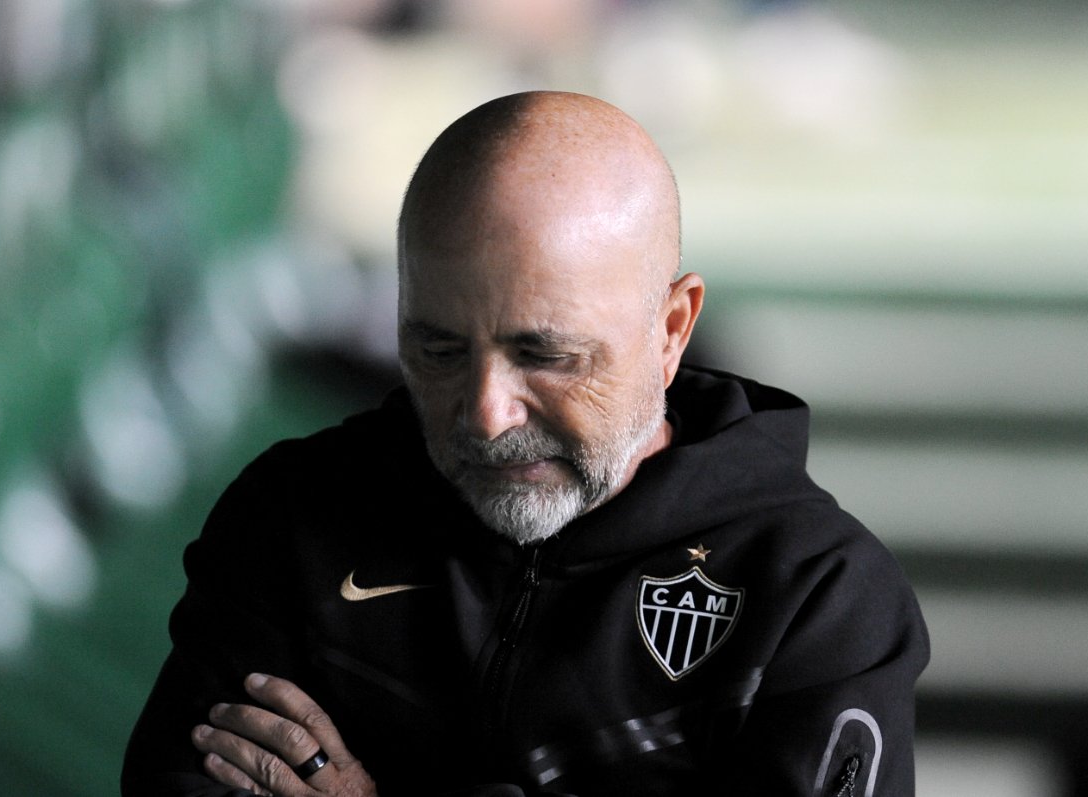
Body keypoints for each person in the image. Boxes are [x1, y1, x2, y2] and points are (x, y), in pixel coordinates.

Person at [122, 91, 928, 797]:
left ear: (671, 329)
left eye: (545, 355)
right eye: (440, 350)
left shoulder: (815, 599)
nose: (486, 414)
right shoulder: (295, 519)